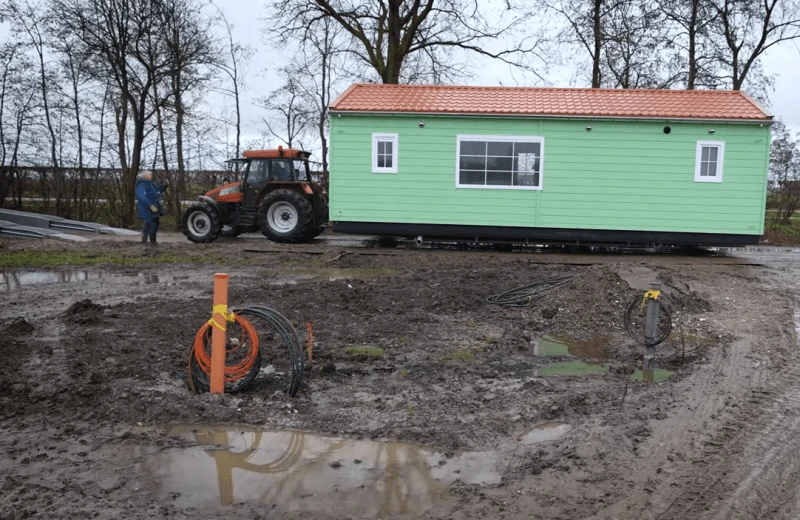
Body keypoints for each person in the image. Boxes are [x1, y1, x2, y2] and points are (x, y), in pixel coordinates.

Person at [135, 171, 167, 245]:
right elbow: (142, 197)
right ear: (144, 176)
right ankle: (144, 241)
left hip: (154, 208)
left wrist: (165, 186)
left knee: (155, 223)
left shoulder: (151, 184)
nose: (151, 175)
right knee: (148, 223)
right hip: (146, 209)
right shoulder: (141, 185)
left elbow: (158, 190)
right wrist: (150, 205)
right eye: (149, 174)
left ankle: (153, 241)